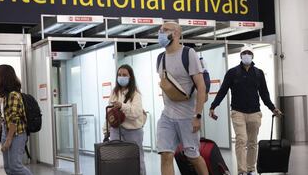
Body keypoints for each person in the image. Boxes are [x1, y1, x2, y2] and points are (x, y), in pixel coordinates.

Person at [209, 46, 282, 175]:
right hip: (238, 112)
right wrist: (213, 106)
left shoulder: (258, 73)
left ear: (252, 56)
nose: (246, 55)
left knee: (253, 142)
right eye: (244, 53)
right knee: (241, 140)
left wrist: (273, 108)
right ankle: (242, 171)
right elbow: (223, 91)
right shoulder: (232, 73)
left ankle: (250, 169)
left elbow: (264, 94)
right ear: (240, 55)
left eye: (249, 53)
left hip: (254, 113)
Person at [156, 22, 208, 175]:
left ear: (177, 33)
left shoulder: (188, 53)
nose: (161, 33)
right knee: (166, 155)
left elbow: (201, 86)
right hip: (167, 116)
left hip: (187, 116)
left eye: (165, 30)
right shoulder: (160, 58)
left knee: (193, 157)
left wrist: (197, 116)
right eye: (160, 30)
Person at [107, 64, 147, 175]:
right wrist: (106, 130)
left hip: (133, 131)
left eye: (124, 75)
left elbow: (136, 113)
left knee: (137, 159)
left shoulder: (136, 94)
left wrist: (122, 106)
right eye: (119, 75)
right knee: (117, 159)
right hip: (116, 130)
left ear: (130, 77)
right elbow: (109, 113)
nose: (121, 77)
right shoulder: (114, 92)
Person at [0, 64, 33, 175]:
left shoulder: (14, 95)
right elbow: (2, 116)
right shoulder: (2, 95)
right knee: (8, 167)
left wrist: (9, 139)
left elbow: (14, 119)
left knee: (16, 167)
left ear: (3, 77)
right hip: (6, 131)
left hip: (17, 133)